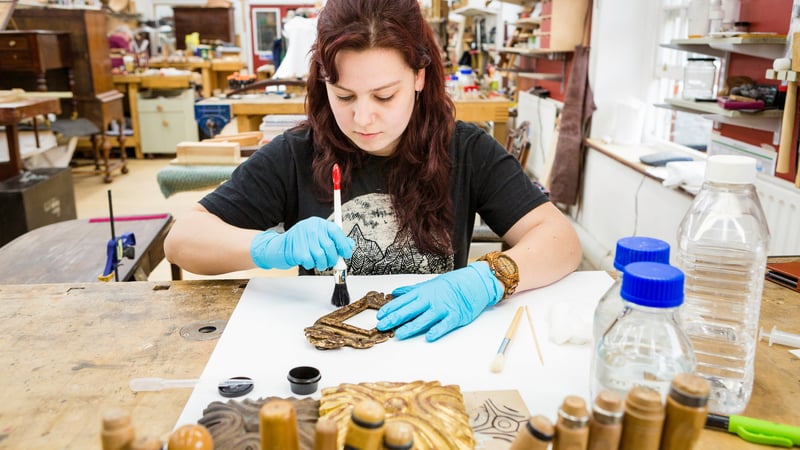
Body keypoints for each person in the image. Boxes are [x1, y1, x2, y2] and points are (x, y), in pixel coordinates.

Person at [164, 0, 582, 342]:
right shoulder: (297, 153)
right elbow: (183, 240)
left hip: (434, 347)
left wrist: (487, 278)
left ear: (419, 77)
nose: (363, 118)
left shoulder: (466, 149)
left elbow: (561, 240)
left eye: (384, 95)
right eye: (344, 95)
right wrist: (271, 248)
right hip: (329, 347)